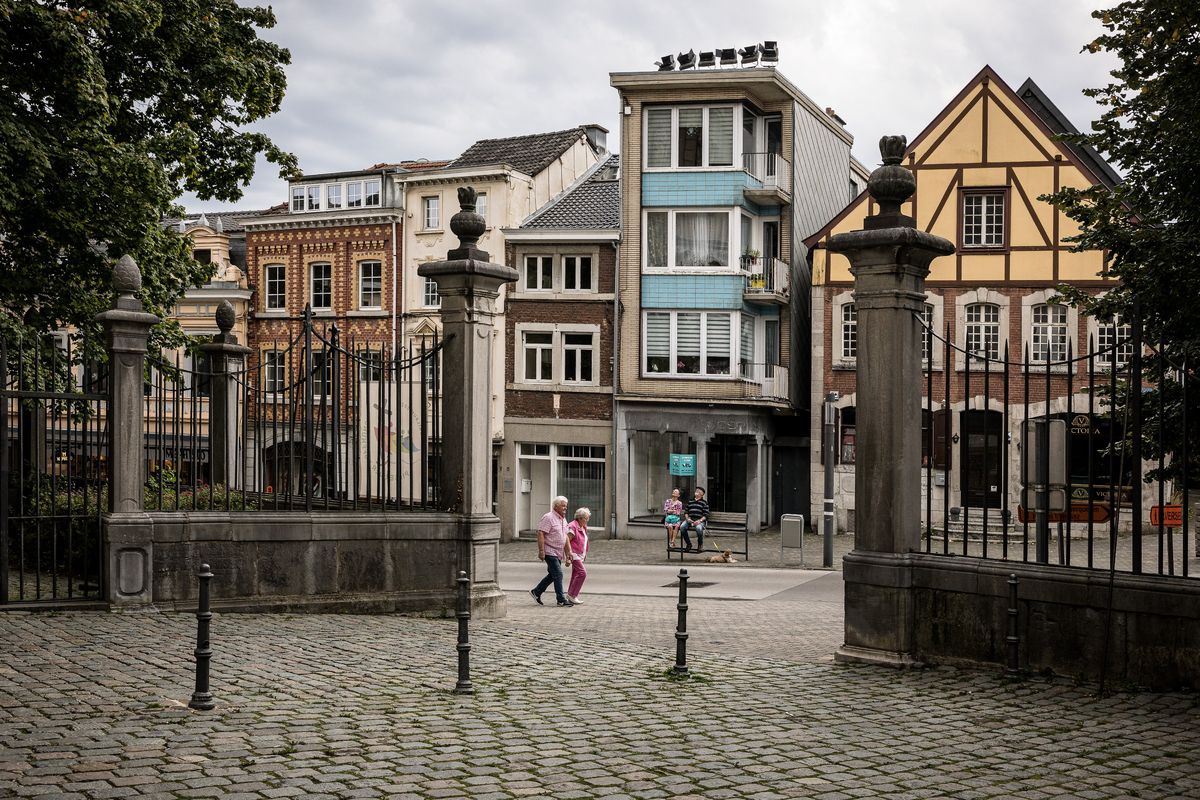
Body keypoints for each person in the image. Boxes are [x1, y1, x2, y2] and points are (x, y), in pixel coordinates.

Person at [530, 495, 574, 607]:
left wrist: (568, 552)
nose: (565, 508)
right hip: (549, 551)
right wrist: (541, 551)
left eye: (566, 506)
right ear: (556, 506)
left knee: (553, 575)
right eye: (563, 506)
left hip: (558, 552)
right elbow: (540, 533)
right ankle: (561, 600)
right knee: (558, 574)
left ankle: (536, 592)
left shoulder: (563, 519)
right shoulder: (548, 517)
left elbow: (565, 537)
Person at [565, 507, 590, 604]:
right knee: (582, 573)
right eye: (586, 518)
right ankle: (572, 595)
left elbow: (584, 541)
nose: (587, 520)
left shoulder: (582, 526)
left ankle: (570, 595)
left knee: (575, 575)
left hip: (580, 554)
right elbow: (566, 540)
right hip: (574, 554)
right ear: (579, 518)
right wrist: (568, 556)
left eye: (588, 518)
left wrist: (585, 553)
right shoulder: (573, 526)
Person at [678, 486, 709, 553]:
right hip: (690, 520)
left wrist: (699, 521)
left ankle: (700, 544)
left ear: (702, 494)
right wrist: (687, 518)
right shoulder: (690, 501)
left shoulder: (704, 503)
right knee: (682, 527)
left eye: (698, 491)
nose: (696, 491)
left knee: (698, 528)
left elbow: (706, 515)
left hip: (700, 521)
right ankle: (689, 544)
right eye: (696, 490)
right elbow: (686, 512)